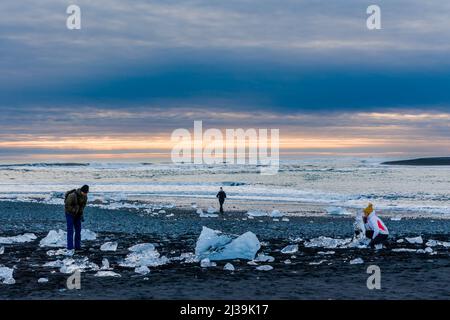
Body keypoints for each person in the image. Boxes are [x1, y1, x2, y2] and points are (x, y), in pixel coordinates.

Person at [64, 185, 89, 251]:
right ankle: (70, 248)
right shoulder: (72, 196)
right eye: (84, 192)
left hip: (78, 215)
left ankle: (77, 247)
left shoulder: (85, 197)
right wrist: (74, 211)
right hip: (69, 214)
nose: (85, 194)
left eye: (86, 193)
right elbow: (67, 206)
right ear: (81, 191)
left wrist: (81, 214)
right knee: (70, 231)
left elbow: (83, 207)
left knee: (78, 231)